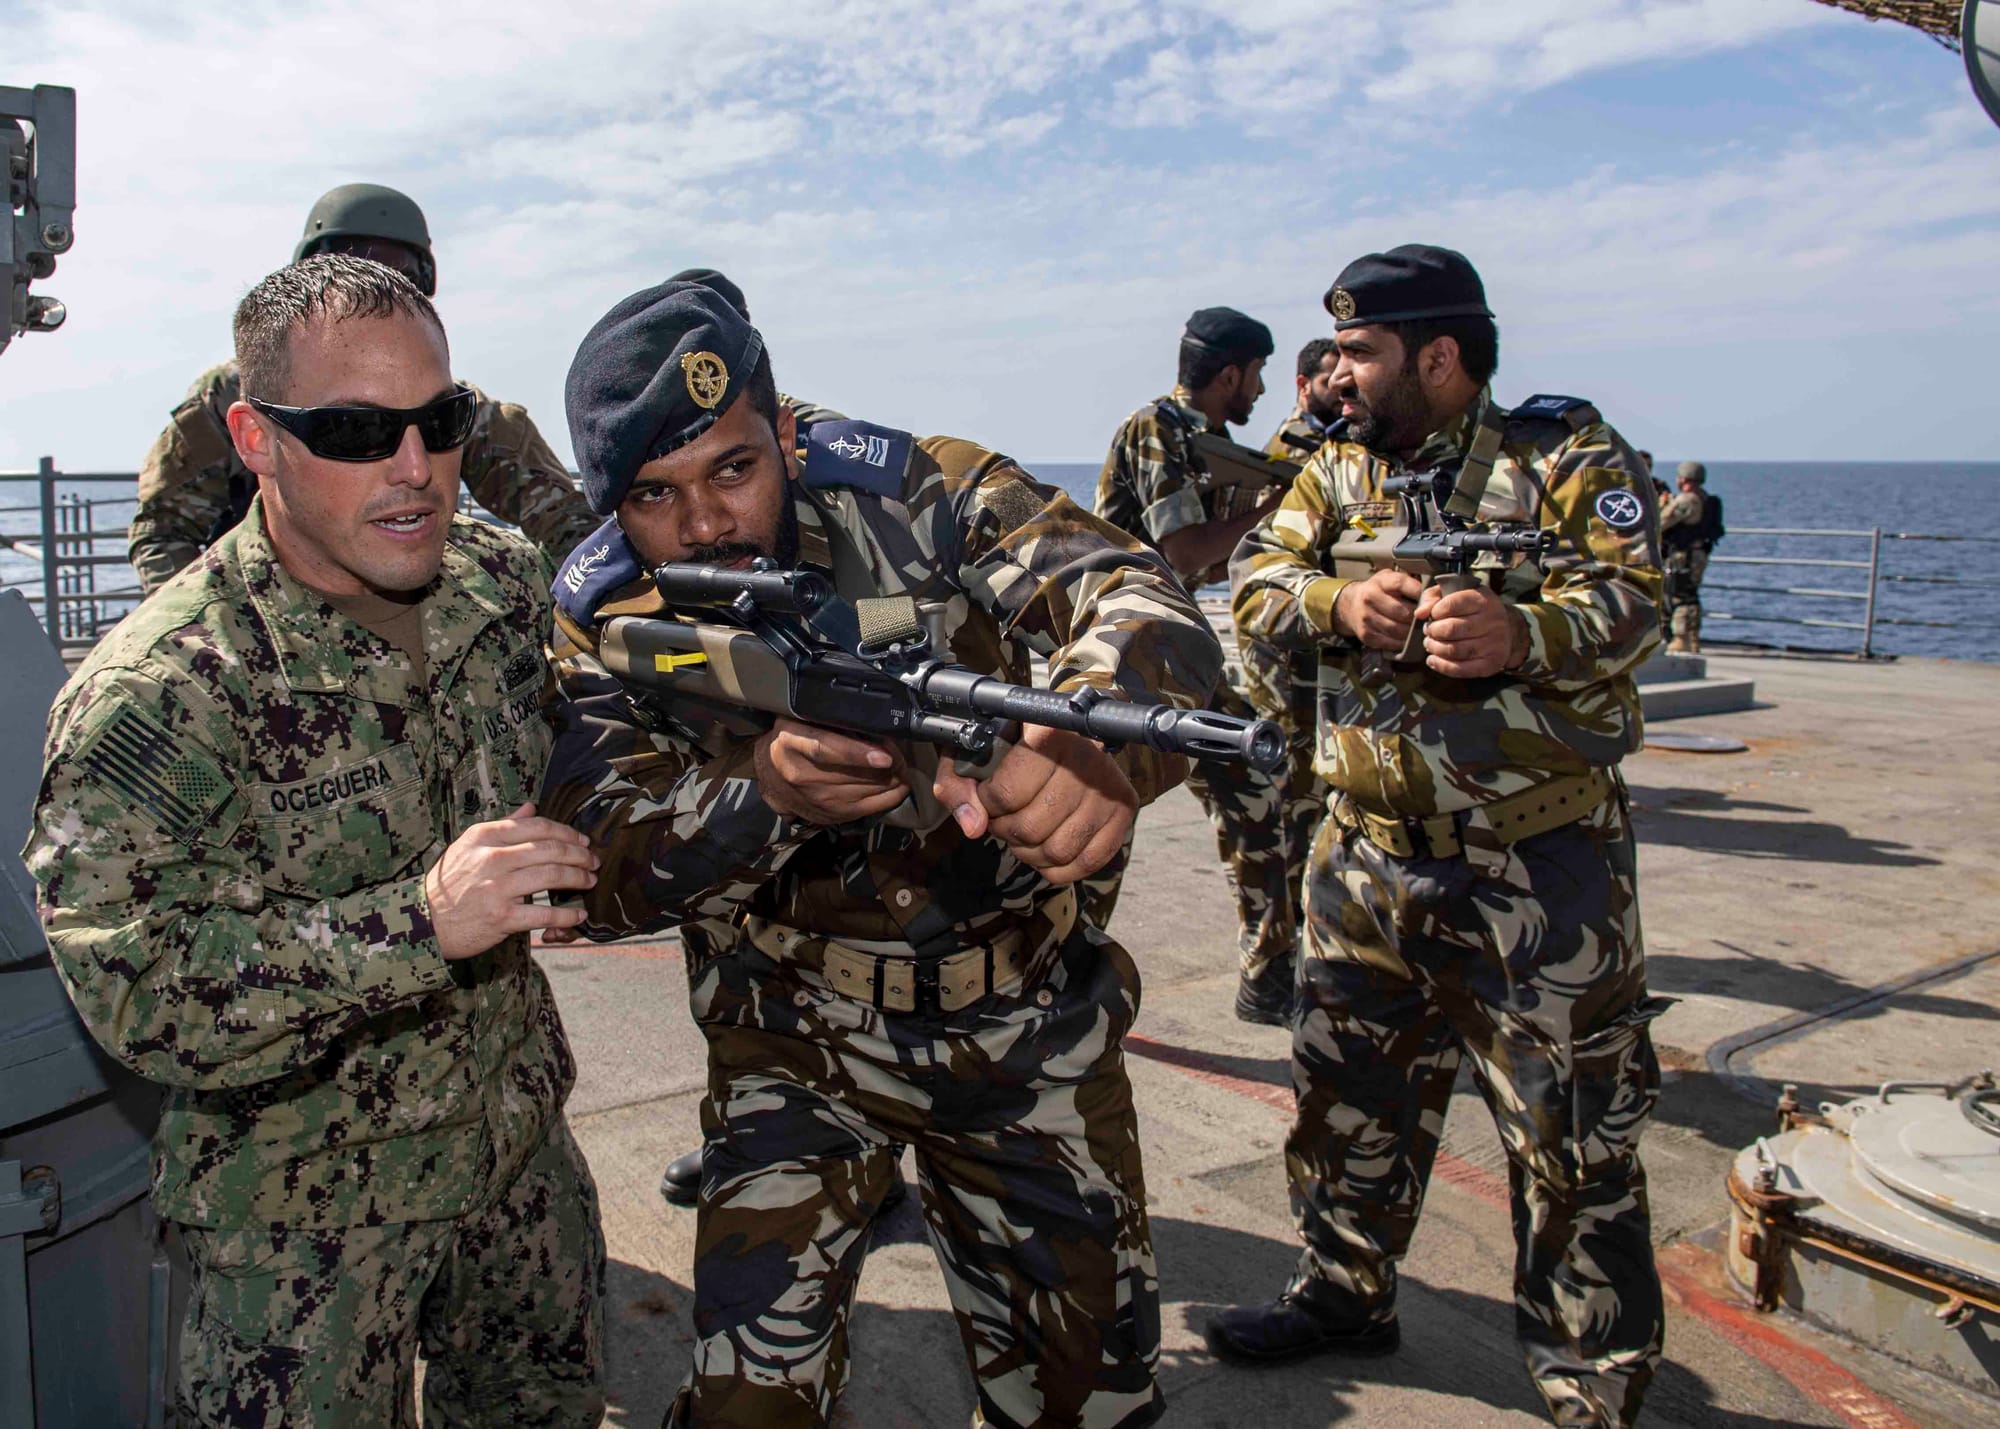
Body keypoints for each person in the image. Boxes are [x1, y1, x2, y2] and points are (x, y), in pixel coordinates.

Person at [538, 281, 1214, 1429]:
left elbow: (1139, 593)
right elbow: (590, 870)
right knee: (746, 1411)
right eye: (655, 495)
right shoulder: (603, 609)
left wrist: (1096, 739)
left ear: (784, 433)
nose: (704, 525)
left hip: (1021, 1033)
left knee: (1089, 1407)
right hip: (789, 1040)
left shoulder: (924, 491)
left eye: (733, 470)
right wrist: (760, 796)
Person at [28, 255, 606, 1427]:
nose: (413, 470)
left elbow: (617, 717)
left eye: (438, 423)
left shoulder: (496, 587)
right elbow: (141, 989)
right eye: (352, 429)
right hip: (304, 1233)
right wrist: (418, 921)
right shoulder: (164, 691)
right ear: (254, 438)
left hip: (515, 1162)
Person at [1212, 244, 1668, 1429]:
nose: (1336, 374)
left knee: (1569, 1133)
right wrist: (1334, 600)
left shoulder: (1563, 457)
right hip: (1359, 858)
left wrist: (1519, 631)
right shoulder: (1333, 470)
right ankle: (1341, 1292)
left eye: (1361, 352)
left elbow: (1634, 603)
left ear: (1441, 355)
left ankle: (1587, 1370)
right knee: (1341, 1098)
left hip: (1535, 864)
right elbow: (1255, 581)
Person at [127, 183, 597, 594]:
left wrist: (569, 611)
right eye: (350, 428)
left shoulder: (452, 408)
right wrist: (221, 632)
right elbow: (163, 530)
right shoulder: (230, 396)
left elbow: (563, 521)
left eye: (399, 276)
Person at [1094, 307, 1301, 1024]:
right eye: (1257, 375)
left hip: (1176, 651)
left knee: (1256, 781)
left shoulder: (1205, 440)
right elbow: (1181, 551)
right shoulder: (1159, 427)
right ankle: (1058, 971)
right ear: (1230, 373)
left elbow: (1201, 560)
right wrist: (1275, 508)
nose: (1261, 391)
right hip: (1126, 651)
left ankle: (1268, 971)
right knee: (1100, 823)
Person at [1660, 459, 1720, 654]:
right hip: (1699, 553)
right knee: (1691, 594)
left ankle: (1681, 638)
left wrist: (1663, 504)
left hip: (1683, 556)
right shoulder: (1706, 499)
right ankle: (1693, 639)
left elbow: (1662, 522)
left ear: (1684, 478)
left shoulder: (1687, 500)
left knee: (1680, 595)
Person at [1263, 336, 1343, 461]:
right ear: (1303, 385)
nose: (1341, 392)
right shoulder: (1295, 440)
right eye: (1329, 383)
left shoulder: (1331, 433)